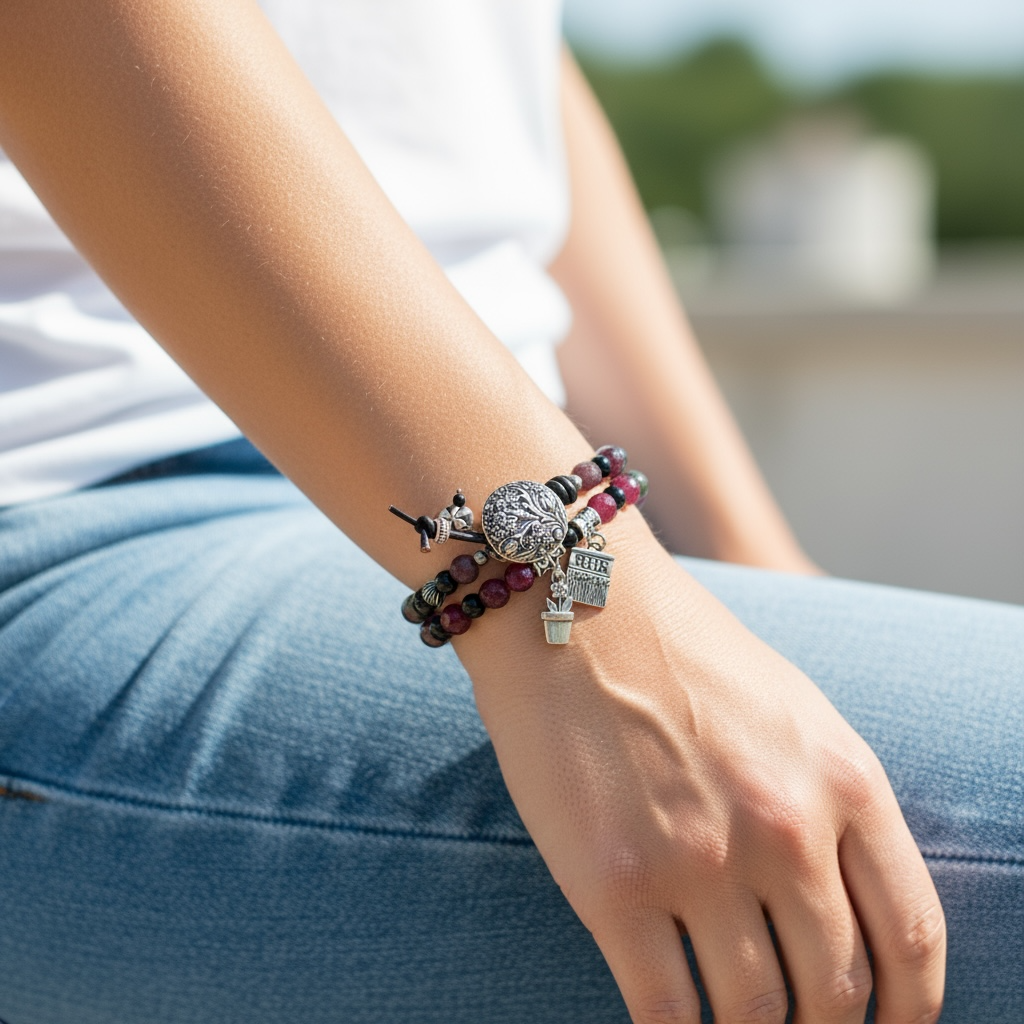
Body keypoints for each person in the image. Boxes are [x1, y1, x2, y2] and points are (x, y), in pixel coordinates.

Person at [0, 2, 1019, 1022]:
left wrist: (747, 555)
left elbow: (495, 74)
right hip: (81, 510)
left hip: (509, 471)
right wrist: (579, 632)